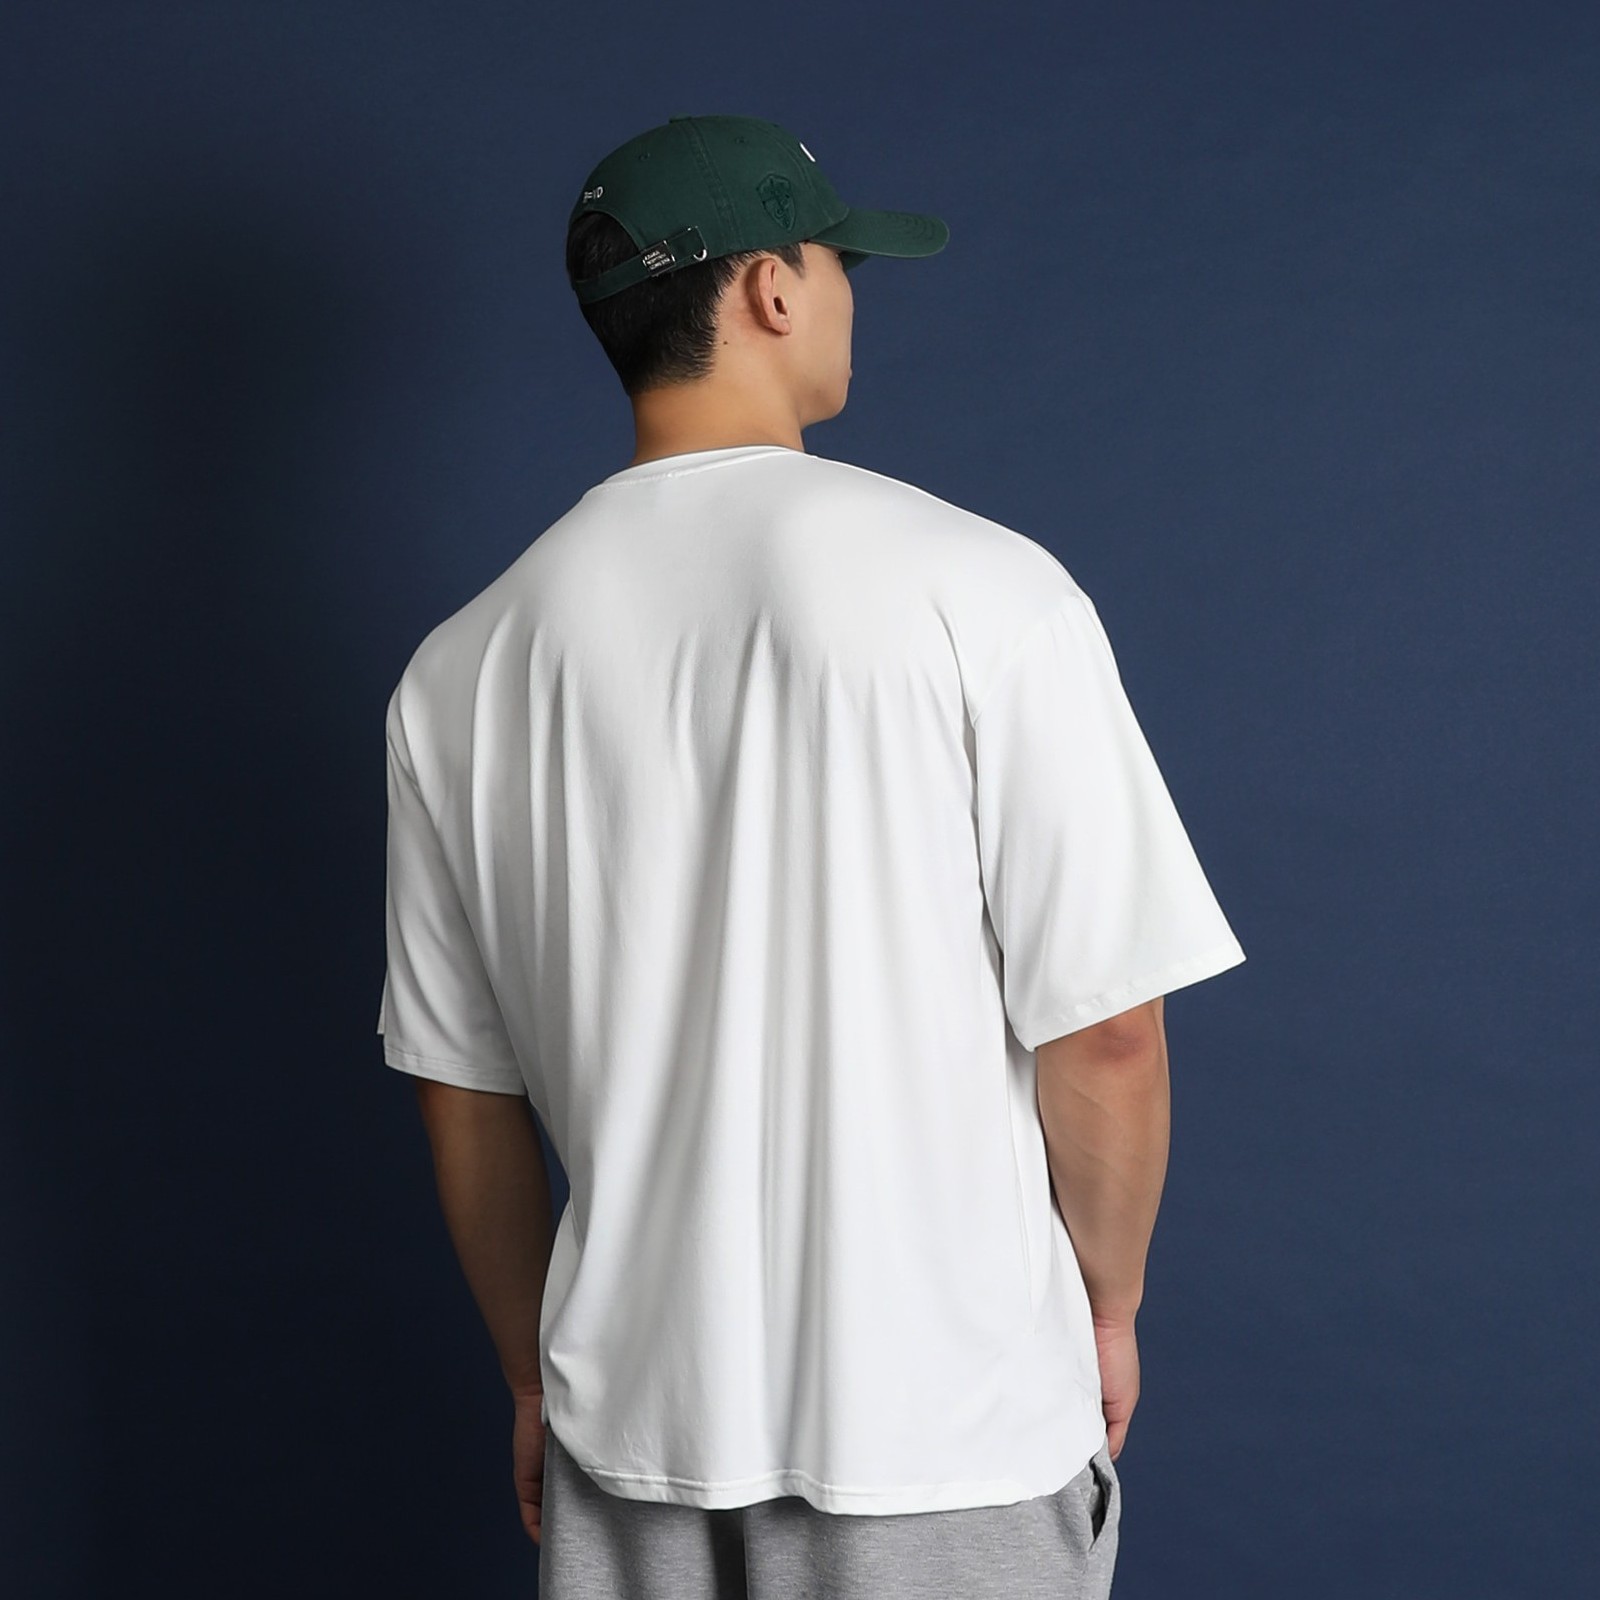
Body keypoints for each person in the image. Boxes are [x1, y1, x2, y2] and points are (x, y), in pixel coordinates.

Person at [375, 113, 1246, 1599]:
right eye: (842, 264)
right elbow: (1106, 1033)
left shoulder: (461, 670)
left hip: (629, 1440)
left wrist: (532, 1380)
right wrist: (1108, 1311)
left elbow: (467, 1095)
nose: (850, 296)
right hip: (948, 1439)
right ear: (771, 287)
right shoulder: (984, 590)